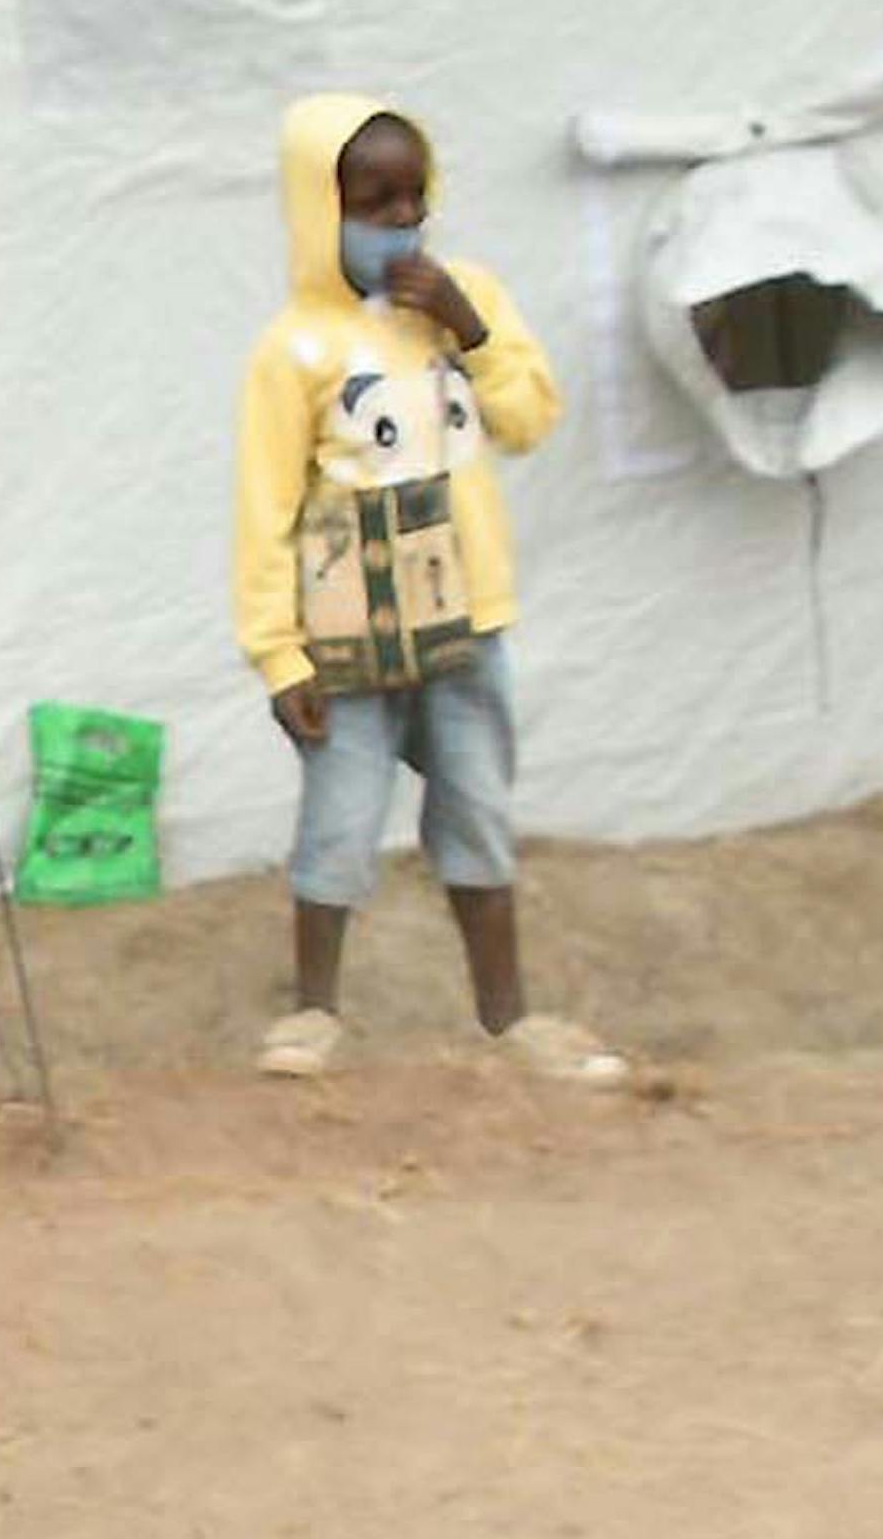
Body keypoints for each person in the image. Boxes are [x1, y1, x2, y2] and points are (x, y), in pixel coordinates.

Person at [232, 96, 630, 1087]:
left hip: (466, 623)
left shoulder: (466, 296)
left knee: (475, 805)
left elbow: (529, 417)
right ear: (319, 210)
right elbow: (263, 506)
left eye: (415, 196)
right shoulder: (294, 348)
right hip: (348, 636)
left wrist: (466, 324)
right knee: (338, 814)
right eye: (372, 201)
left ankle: (507, 1015)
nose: (400, 218)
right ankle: (313, 1010)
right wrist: (277, 652)